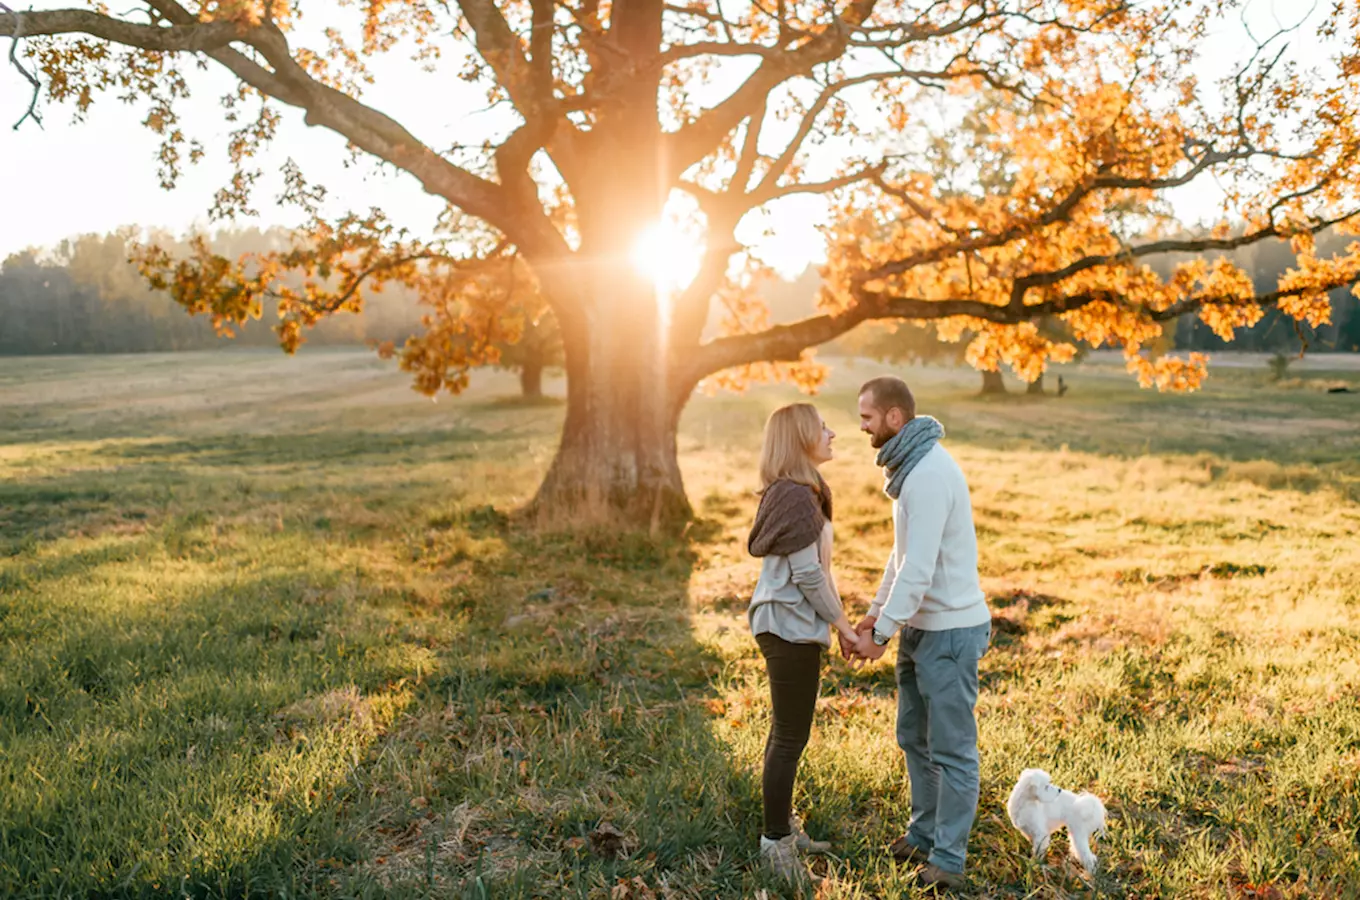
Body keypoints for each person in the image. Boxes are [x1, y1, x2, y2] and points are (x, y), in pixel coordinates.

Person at [848, 375, 992, 892]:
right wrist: (876, 613)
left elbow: (921, 569)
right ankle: (924, 835)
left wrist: (881, 634)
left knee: (952, 751)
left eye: (866, 416)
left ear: (894, 418)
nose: (860, 425)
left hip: (950, 633)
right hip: (920, 628)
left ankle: (948, 860)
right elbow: (900, 557)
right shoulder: (909, 469)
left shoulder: (928, 473)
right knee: (914, 736)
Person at [746, 402, 859, 886]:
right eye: (822, 429)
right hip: (788, 625)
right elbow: (808, 572)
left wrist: (839, 620)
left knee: (786, 733)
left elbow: (815, 571)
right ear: (800, 440)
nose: (832, 434)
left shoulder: (800, 491)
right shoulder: (794, 496)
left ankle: (783, 829)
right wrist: (844, 625)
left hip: (791, 623)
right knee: (790, 737)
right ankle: (775, 845)